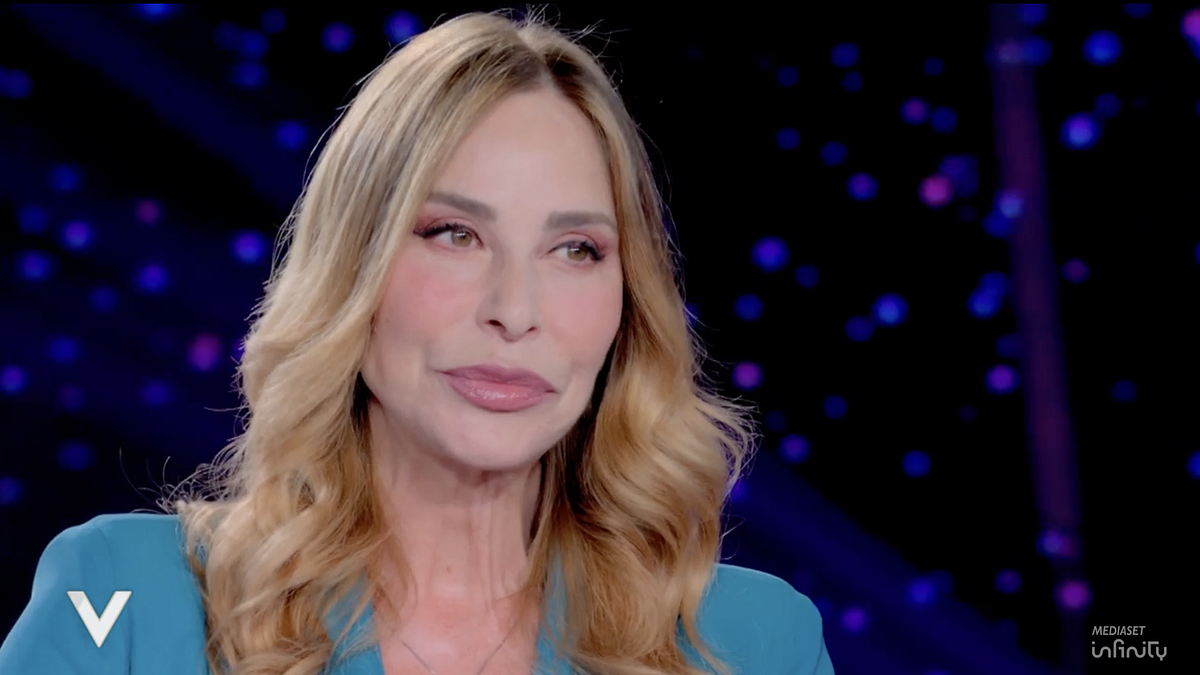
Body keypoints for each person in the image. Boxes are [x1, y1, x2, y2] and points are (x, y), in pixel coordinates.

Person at [0, 11, 834, 675]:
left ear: (627, 303)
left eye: (576, 249)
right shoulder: (122, 599)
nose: (515, 310)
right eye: (454, 234)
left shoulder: (757, 641)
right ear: (352, 271)